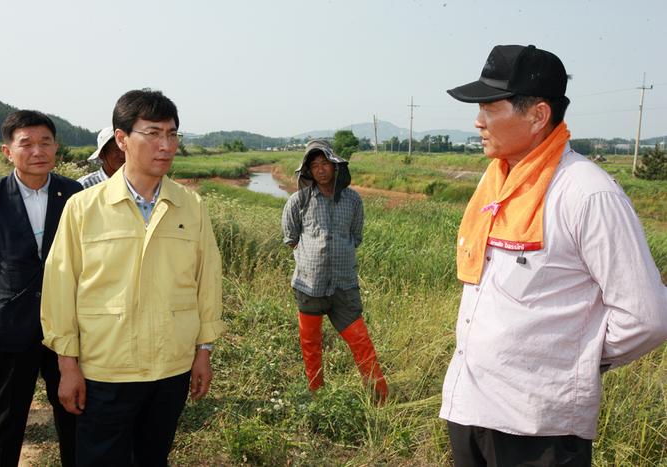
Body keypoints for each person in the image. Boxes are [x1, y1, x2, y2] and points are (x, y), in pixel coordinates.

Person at [440, 44, 667, 466]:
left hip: (537, 426)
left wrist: (574, 356)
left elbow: (647, 318)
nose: (477, 121)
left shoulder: (587, 193)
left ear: (537, 115)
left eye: (489, 108)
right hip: (470, 407)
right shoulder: (495, 183)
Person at [41, 88, 226, 467]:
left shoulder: (191, 206)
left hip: (171, 368)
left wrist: (203, 352)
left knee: (152, 459)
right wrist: (67, 366)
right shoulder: (83, 207)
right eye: (153, 133)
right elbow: (59, 290)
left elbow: (207, 282)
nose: (166, 145)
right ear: (121, 138)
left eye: (172, 134)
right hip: (106, 370)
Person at [0, 110, 81, 467]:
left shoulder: (74, 194)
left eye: (45, 142)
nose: (37, 151)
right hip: (9, 325)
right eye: (26, 143)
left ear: (56, 147)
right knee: (3, 422)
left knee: (75, 415)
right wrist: (3, 301)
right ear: (7, 151)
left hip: (66, 327)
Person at [281, 140, 388, 402]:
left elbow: (356, 236)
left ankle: (380, 398)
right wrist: (312, 258)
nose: (320, 169)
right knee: (311, 345)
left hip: (344, 286)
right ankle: (318, 397)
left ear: (335, 165)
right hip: (309, 286)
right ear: (308, 170)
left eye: (324, 163)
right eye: (314, 165)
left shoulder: (352, 199)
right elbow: (292, 238)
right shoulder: (298, 201)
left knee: (361, 341)